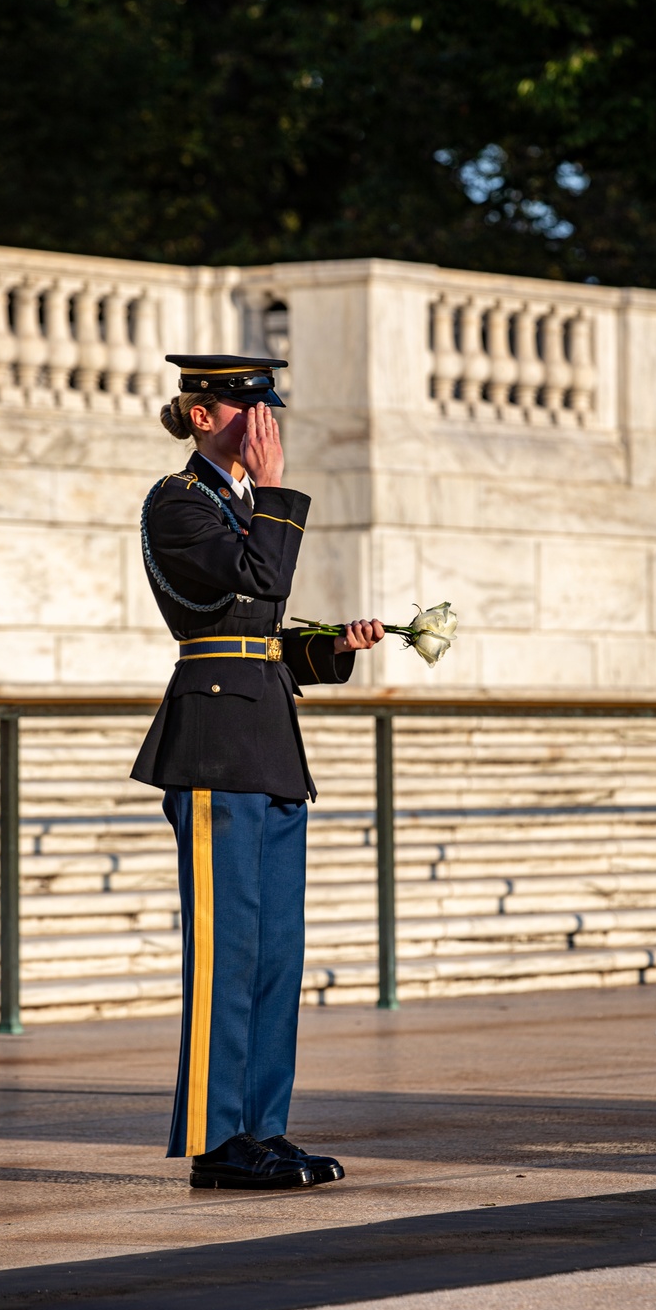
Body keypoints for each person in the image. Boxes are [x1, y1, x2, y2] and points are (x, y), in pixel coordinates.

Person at [132, 353, 384, 1191]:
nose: (264, 426)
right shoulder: (178, 503)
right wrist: (275, 492)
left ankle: (262, 1131)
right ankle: (215, 1141)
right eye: (248, 411)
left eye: (269, 410)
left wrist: (330, 647)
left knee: (277, 952)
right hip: (211, 747)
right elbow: (252, 582)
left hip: (269, 745)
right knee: (225, 953)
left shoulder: (240, 503)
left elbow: (260, 634)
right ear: (203, 416)